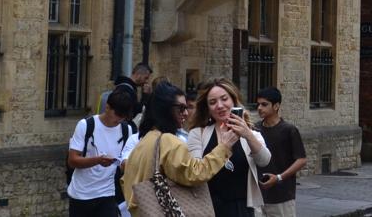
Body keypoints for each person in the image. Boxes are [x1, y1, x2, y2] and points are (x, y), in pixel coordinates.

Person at [118, 81, 233, 213]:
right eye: (181, 108)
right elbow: (195, 174)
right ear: (165, 109)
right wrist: (224, 147)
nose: (186, 113)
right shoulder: (168, 141)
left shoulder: (144, 142)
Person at [187, 78, 270, 217]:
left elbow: (264, 160)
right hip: (208, 208)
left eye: (224, 99)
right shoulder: (198, 134)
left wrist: (248, 135)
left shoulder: (252, 134)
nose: (220, 105)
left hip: (242, 209)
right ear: (207, 108)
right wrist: (223, 147)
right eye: (212, 102)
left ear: (233, 100)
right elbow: (195, 171)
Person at [67, 88, 136, 217]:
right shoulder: (86, 125)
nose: (120, 120)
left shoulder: (127, 130)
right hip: (81, 194)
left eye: (123, 117)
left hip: (107, 194)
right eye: (118, 115)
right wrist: (98, 160)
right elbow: (72, 161)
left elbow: (125, 160)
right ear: (107, 108)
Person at [254, 87, 307, 216]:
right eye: (258, 104)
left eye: (264, 104)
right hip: (257, 196)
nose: (259, 108)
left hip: (282, 196)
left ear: (276, 106)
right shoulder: (254, 129)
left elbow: (302, 159)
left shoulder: (289, 130)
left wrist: (278, 178)